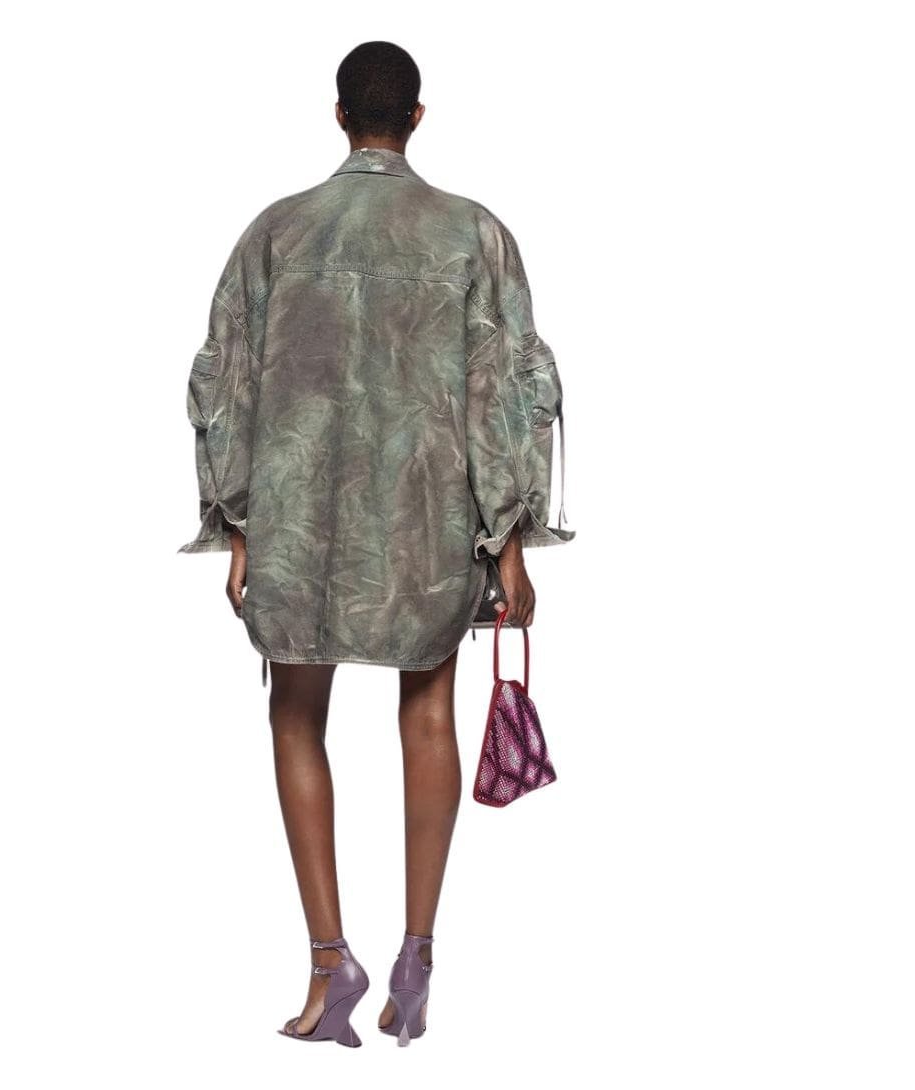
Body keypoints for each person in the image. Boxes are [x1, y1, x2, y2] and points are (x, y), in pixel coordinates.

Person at [177, 41, 575, 1046]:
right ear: (418, 118)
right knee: (427, 711)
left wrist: (236, 524)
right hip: (426, 519)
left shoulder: (277, 231)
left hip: (300, 522)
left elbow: (223, 383)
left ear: (338, 114)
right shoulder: (471, 233)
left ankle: (330, 965)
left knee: (294, 713)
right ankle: (415, 959)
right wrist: (509, 535)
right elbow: (509, 388)